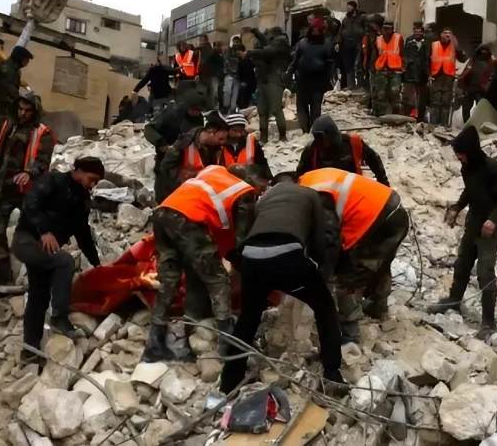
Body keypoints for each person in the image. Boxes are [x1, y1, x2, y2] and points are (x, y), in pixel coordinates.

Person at [221, 173, 343, 394]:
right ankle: (332, 374)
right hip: (287, 254)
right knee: (324, 309)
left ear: (274, 186)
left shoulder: (263, 200)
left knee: (248, 319)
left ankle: (229, 382)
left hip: (252, 257)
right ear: (296, 182)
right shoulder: (309, 194)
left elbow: (249, 233)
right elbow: (318, 238)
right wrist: (322, 271)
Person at [143, 165, 259, 362]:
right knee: (217, 278)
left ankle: (155, 343)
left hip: (162, 213)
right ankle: (228, 342)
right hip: (187, 219)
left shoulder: (211, 174)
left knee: (170, 279)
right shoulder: (243, 191)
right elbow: (241, 240)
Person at [299, 168, 410, 342]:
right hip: (394, 213)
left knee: (348, 273)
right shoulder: (311, 178)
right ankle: (379, 307)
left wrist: (326, 272)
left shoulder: (313, 194)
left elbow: (330, 238)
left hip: (375, 220)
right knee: (378, 264)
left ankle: (350, 332)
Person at [428, 127, 497, 339]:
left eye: (461, 153)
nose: (459, 157)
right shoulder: (467, 167)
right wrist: (458, 206)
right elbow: (470, 189)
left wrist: (494, 220)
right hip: (474, 221)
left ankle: (488, 321)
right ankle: (454, 300)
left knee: (485, 271)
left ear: (471, 150)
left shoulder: (493, 169)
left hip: (490, 228)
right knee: (463, 262)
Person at [15, 157, 105, 362]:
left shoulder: (81, 199)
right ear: (79, 170)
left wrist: (97, 263)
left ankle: (30, 351)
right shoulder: (53, 180)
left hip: (46, 250)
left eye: (96, 182)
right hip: (27, 239)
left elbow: (83, 233)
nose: (92, 184)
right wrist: (44, 231)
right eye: (91, 178)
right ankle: (59, 317)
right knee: (65, 262)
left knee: (39, 296)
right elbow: (31, 202)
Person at [0, 90, 55, 287]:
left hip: (27, 191)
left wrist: (29, 173)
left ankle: (40, 274)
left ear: (35, 111)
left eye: (27, 110)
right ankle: (5, 275)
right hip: (4, 188)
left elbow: (42, 161)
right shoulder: (10, 126)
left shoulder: (42, 133)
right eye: (20, 109)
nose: (23, 113)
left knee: (33, 234)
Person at [155, 110, 228, 202]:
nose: (223, 143)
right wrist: (185, 177)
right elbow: (165, 169)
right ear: (210, 131)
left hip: (202, 196)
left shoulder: (217, 149)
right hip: (181, 195)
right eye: (220, 139)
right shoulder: (183, 144)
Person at [296, 115, 389, 184]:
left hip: (352, 189)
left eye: (321, 138)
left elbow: (374, 160)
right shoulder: (312, 150)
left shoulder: (353, 142)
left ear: (331, 135)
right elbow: (300, 176)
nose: (319, 143)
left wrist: (384, 183)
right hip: (324, 193)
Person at [289, 15, 338, 133]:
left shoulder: (326, 44)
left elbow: (330, 63)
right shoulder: (302, 43)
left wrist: (331, 77)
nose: (315, 32)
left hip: (319, 81)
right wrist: (289, 71)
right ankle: (305, 129)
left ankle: (314, 130)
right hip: (302, 80)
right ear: (310, 30)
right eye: (314, 29)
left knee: (316, 107)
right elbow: (295, 60)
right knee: (302, 106)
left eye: (318, 29)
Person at [247, 26, 292, 143]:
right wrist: (255, 31)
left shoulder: (281, 42)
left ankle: (282, 137)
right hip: (263, 79)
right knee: (262, 111)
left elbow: (268, 51)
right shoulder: (274, 43)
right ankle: (263, 138)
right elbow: (266, 45)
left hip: (274, 78)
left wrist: (251, 52)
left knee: (276, 109)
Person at [223, 112, 271, 179]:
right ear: (227, 130)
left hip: (248, 182)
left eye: (241, 131)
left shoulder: (252, 143)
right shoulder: (220, 145)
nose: (238, 135)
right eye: (235, 131)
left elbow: (264, 167)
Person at [429, 28, 461, 126]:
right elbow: (427, 59)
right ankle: (433, 125)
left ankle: (443, 125)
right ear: (441, 34)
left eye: (449, 33)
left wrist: (456, 44)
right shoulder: (434, 45)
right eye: (445, 33)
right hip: (436, 76)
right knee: (435, 102)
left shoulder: (454, 46)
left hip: (448, 77)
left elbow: (462, 58)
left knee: (446, 102)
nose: (447, 35)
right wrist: (428, 75)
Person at [372, 21, 403, 116]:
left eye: (388, 28)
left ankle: (395, 116)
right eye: (384, 28)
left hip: (395, 70)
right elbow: (375, 55)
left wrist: (403, 68)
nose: (386, 31)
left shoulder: (398, 38)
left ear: (392, 29)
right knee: (380, 94)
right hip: (381, 70)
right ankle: (381, 116)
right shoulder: (378, 39)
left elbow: (402, 53)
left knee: (395, 93)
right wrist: (373, 68)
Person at [458, 45, 495, 122]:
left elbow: (491, 76)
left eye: (485, 51)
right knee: (466, 108)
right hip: (470, 88)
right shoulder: (472, 60)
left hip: (481, 90)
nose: (483, 53)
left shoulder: (491, 63)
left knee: (480, 110)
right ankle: (467, 124)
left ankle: (478, 124)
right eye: (482, 51)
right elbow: (465, 73)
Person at [401, 22, 430, 120]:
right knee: (408, 98)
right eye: (415, 31)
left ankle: (420, 119)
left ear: (422, 32)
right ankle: (406, 117)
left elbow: (428, 58)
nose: (417, 34)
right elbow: (405, 57)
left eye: (419, 32)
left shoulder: (427, 42)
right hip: (410, 74)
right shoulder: (409, 41)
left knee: (421, 100)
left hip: (422, 75)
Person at [340, 1, 366, 90]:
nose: (347, 8)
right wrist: (337, 42)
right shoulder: (345, 19)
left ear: (354, 7)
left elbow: (365, 30)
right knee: (348, 66)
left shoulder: (361, 18)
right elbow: (340, 32)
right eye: (347, 7)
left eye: (349, 7)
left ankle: (360, 85)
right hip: (347, 45)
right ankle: (350, 85)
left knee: (358, 65)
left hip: (358, 44)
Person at [199, 37, 224, 110]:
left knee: (216, 92)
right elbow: (206, 62)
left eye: (221, 45)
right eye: (219, 46)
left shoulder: (218, 54)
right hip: (212, 75)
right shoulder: (213, 53)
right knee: (214, 92)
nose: (221, 47)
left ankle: (215, 107)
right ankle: (213, 107)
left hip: (216, 75)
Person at [222, 38, 245, 113]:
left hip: (238, 77)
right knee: (227, 92)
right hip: (229, 75)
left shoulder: (242, 51)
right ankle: (226, 107)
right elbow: (225, 61)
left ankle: (232, 109)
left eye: (237, 42)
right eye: (234, 42)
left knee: (235, 94)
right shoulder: (229, 51)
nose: (236, 44)